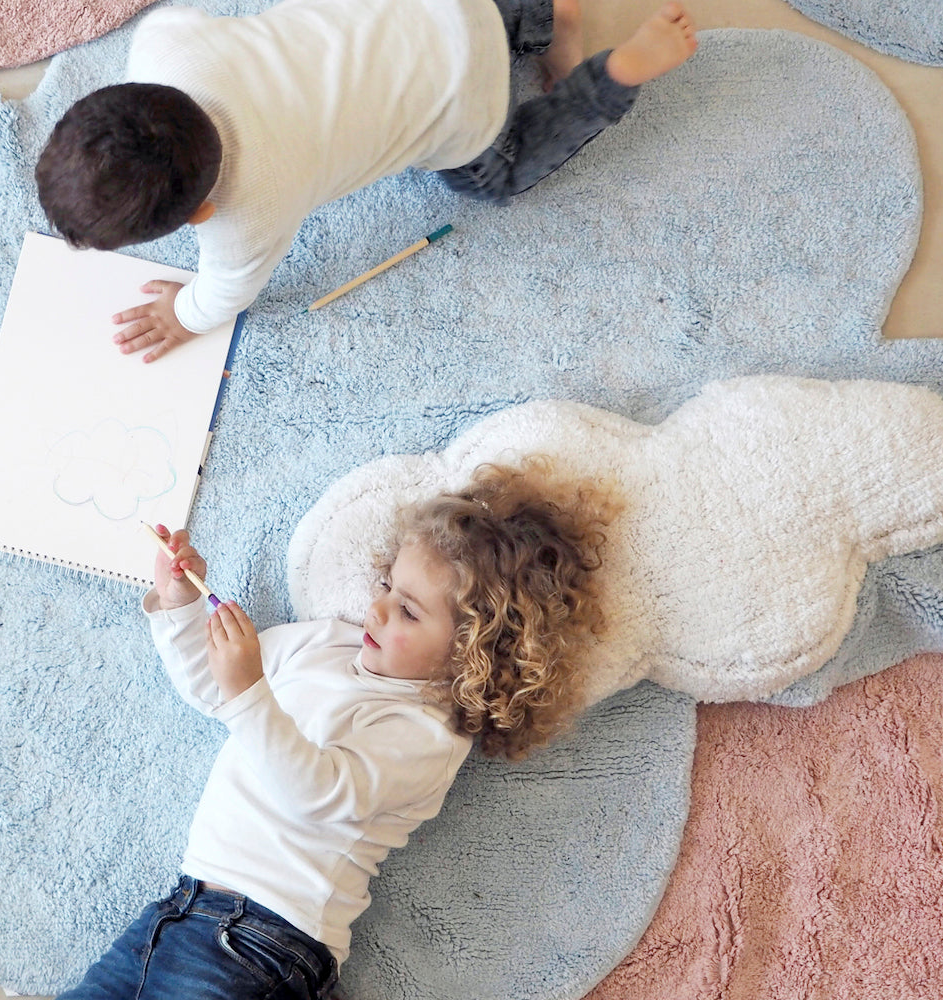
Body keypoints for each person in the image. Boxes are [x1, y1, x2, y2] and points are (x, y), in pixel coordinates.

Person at [54, 459, 616, 999]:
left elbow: (317, 794)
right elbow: (213, 687)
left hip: (267, 938)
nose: (377, 612)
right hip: (181, 906)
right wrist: (179, 606)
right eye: (389, 590)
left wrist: (249, 691)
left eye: (409, 612)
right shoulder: (322, 643)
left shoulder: (427, 734)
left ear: (472, 655)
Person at [35, 0, 698, 362]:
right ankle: (548, 15)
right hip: (428, 11)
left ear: (199, 213)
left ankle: (614, 78)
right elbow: (175, 18)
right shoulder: (163, 49)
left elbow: (225, 293)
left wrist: (180, 317)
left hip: (462, 100)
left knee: (500, 171)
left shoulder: (248, 215)